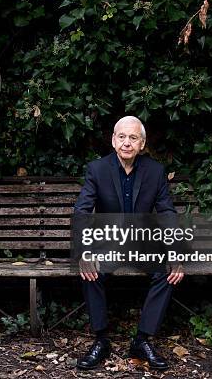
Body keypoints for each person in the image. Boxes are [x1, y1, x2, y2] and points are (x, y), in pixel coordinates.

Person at [74, 116, 184, 371]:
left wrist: (175, 253)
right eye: (121, 137)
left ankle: (142, 340)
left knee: (168, 272)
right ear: (113, 140)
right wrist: (85, 250)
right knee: (89, 271)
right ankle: (101, 341)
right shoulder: (97, 169)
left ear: (142, 143)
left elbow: (167, 212)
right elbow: (82, 211)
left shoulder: (155, 172)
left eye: (133, 138)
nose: (126, 143)